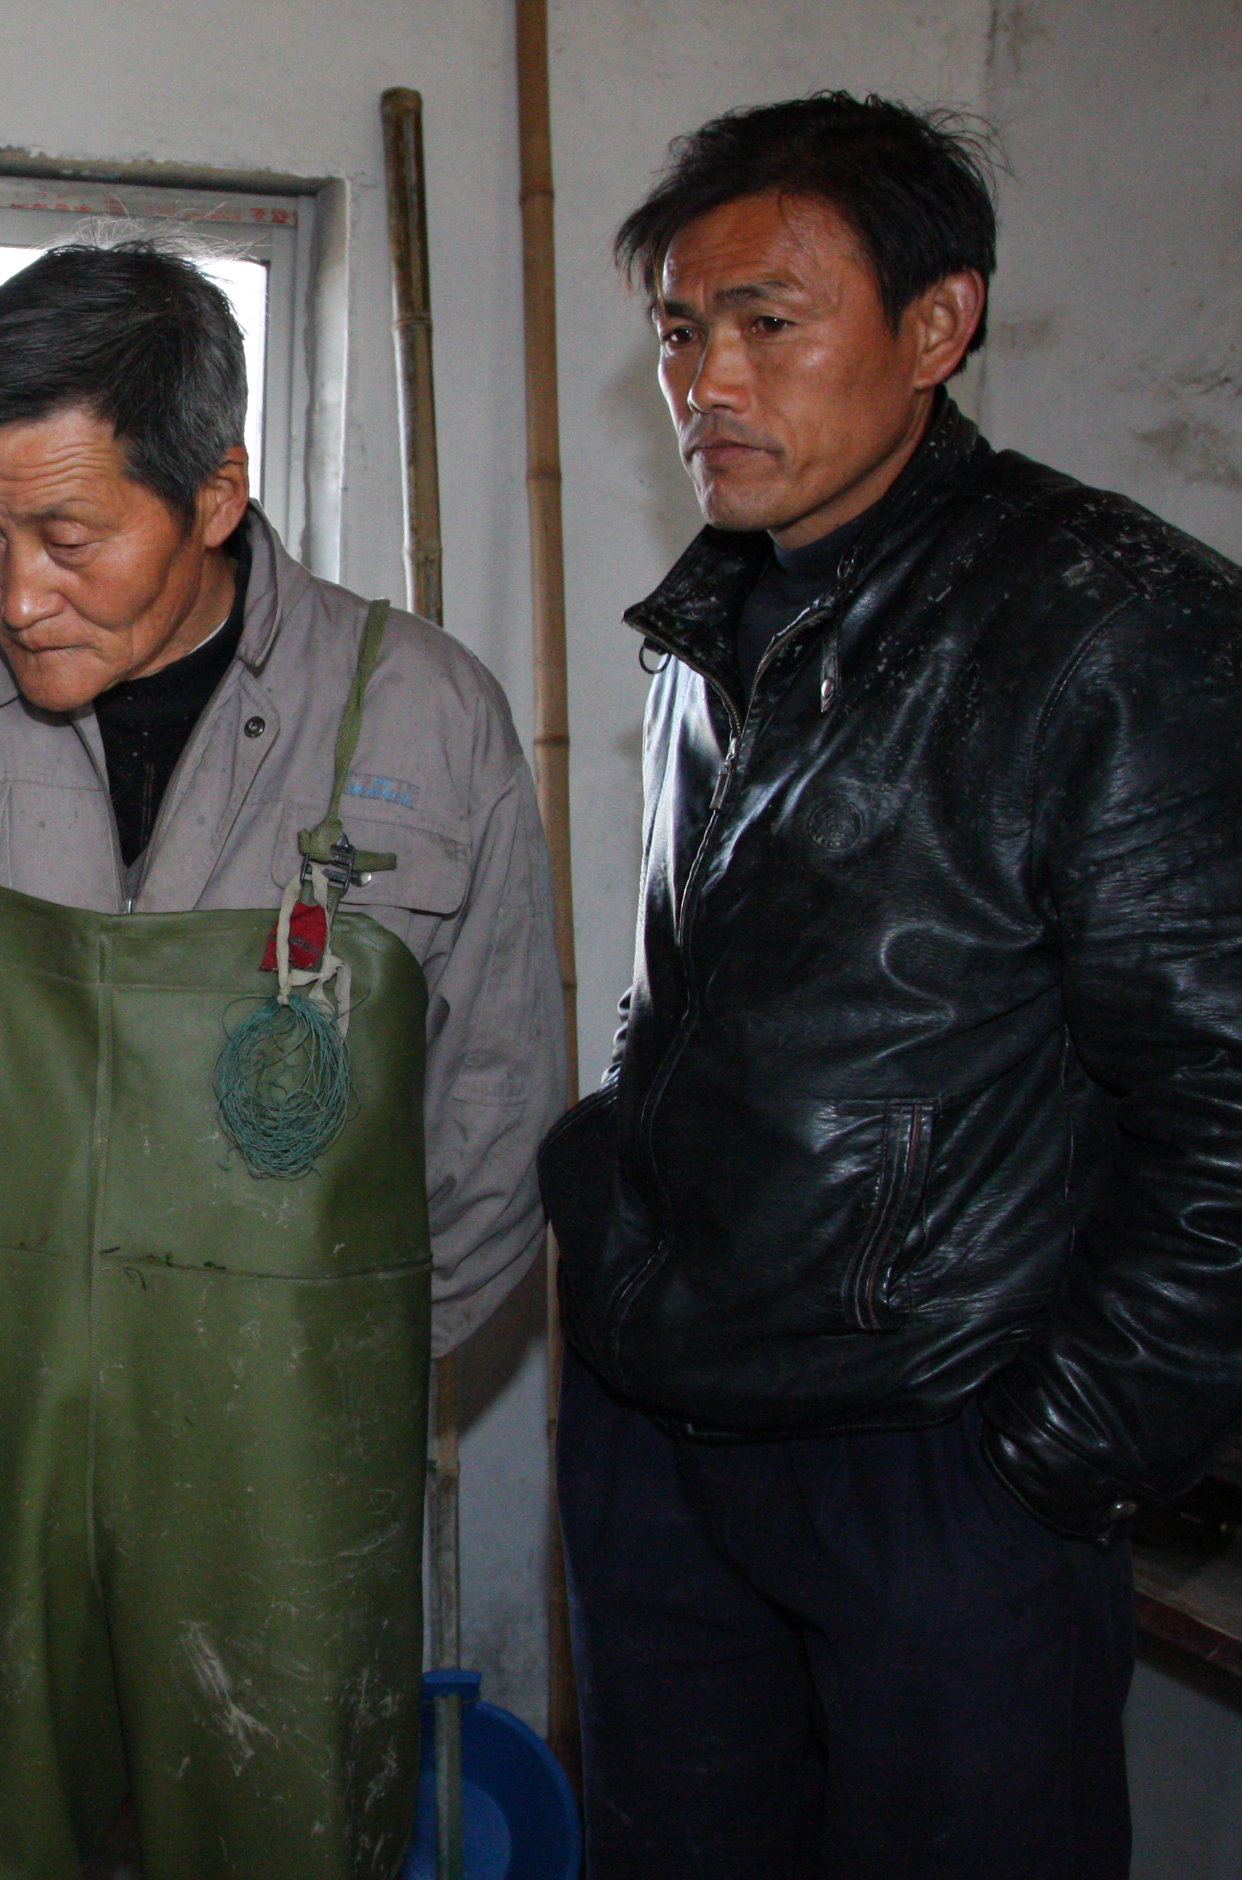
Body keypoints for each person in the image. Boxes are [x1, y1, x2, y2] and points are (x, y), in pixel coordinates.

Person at [0, 241, 564, 1879]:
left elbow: (496, 1120)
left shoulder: (422, 718)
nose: (18, 593)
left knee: (283, 1829)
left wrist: (321, 1352)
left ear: (216, 491)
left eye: (69, 537)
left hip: (280, 1437)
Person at [544, 93, 1242, 1879]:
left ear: (938, 326)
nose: (707, 380)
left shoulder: (1111, 623)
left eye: (768, 322)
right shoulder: (717, 622)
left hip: (936, 1455)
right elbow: (688, 1001)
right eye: (679, 331)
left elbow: (1225, 1112)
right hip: (665, 1432)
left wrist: (1049, 1463)